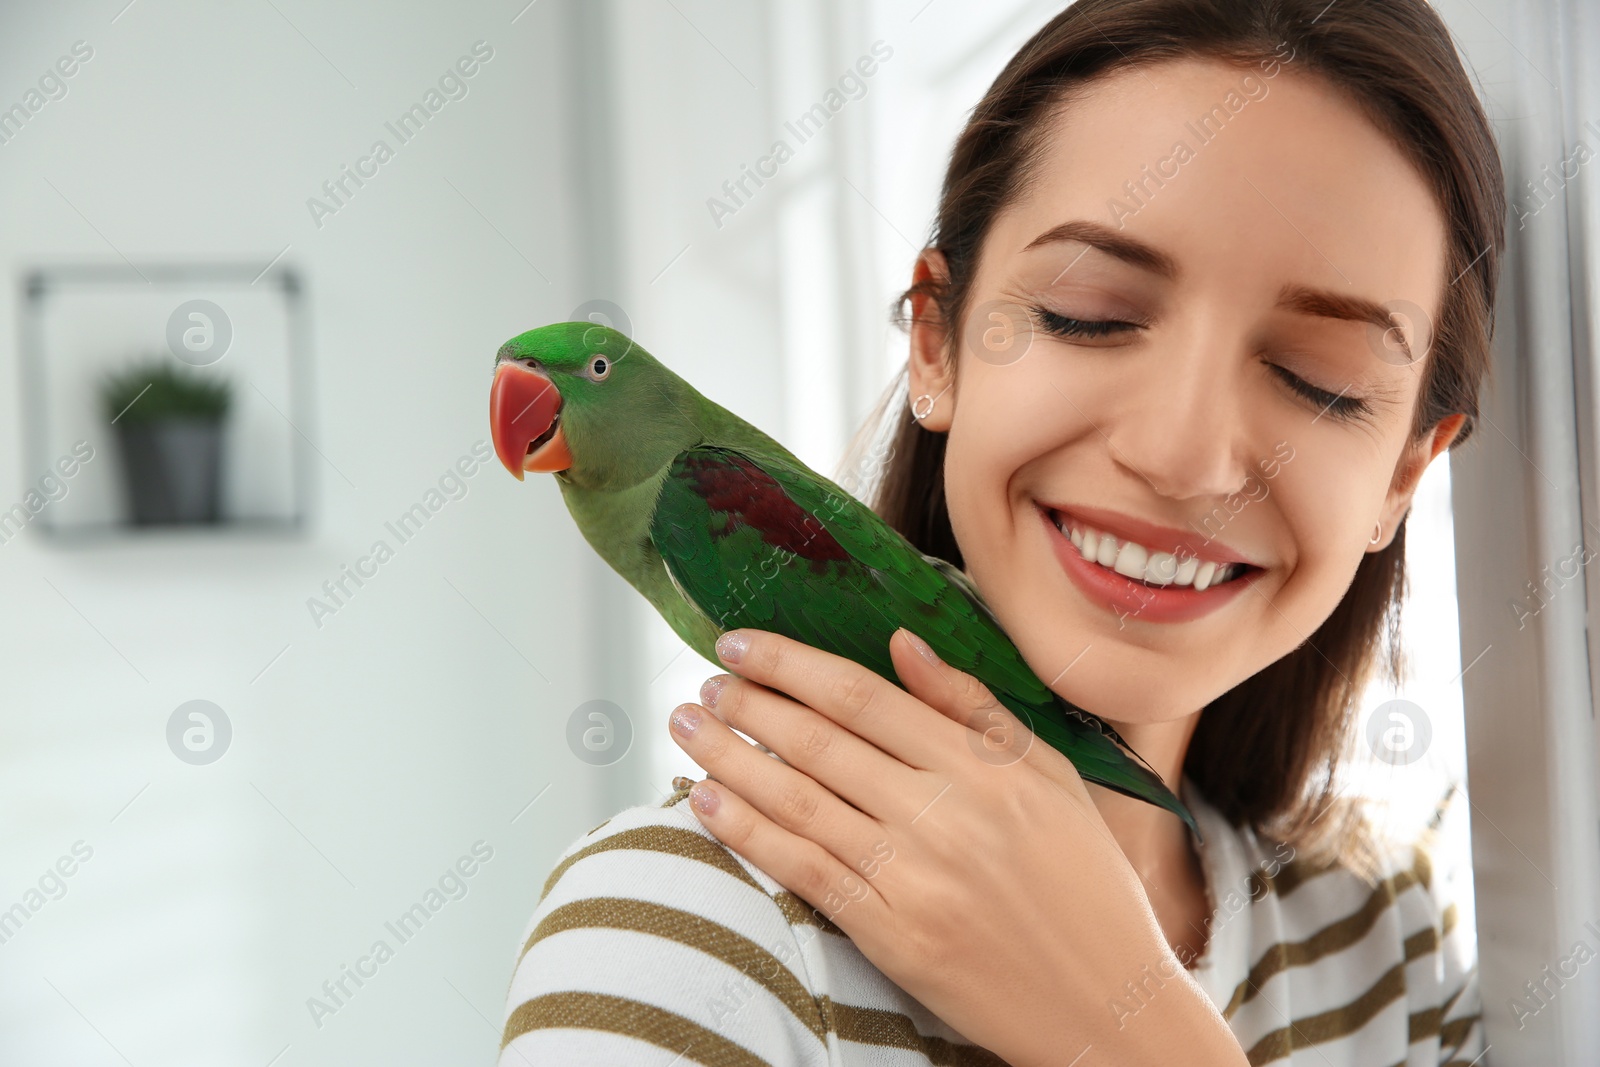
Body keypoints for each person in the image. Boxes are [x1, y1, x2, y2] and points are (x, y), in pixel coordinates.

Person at [498, 0, 1500, 1062]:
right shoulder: (681, 943)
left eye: (1320, 382)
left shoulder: (1388, 947)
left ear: (1405, 470)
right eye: (1088, 314)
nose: (1182, 455)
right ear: (934, 342)